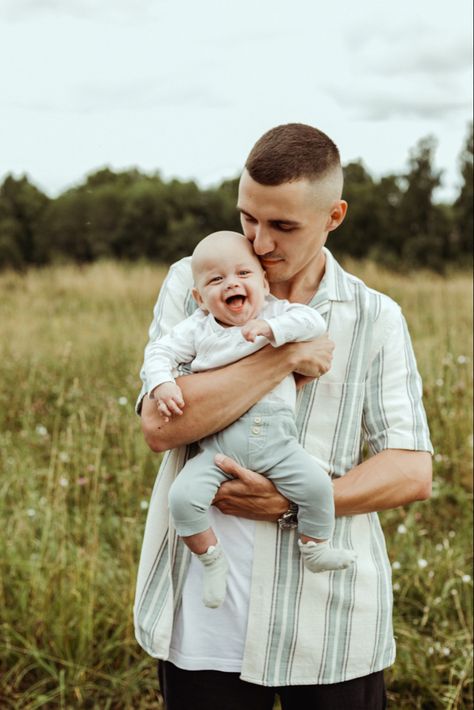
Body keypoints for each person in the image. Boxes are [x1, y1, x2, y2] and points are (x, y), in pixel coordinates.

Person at [134, 123, 433, 709]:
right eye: (248, 217)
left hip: (329, 627)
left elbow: (410, 470)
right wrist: (285, 356)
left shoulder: (376, 317)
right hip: (201, 624)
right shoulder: (193, 280)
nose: (260, 242)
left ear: (334, 217)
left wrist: (291, 502)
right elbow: (160, 426)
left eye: (283, 226)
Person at [144, 231, 357, 609]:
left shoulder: (277, 311)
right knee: (182, 499)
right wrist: (162, 383)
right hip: (219, 446)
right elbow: (159, 351)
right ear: (199, 298)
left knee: (320, 488)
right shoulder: (198, 328)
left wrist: (274, 330)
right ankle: (211, 559)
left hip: (279, 444)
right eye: (216, 280)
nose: (232, 284)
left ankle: (315, 546)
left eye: (244, 274)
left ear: (263, 281)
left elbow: (310, 322)